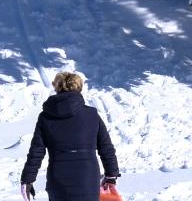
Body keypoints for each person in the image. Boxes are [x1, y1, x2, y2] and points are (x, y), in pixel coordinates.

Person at [20, 72, 120, 201]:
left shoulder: (45, 117)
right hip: (88, 177)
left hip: (58, 177)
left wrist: (27, 180)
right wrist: (111, 174)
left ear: (57, 87)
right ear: (79, 87)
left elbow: (36, 151)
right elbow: (106, 147)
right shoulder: (92, 115)